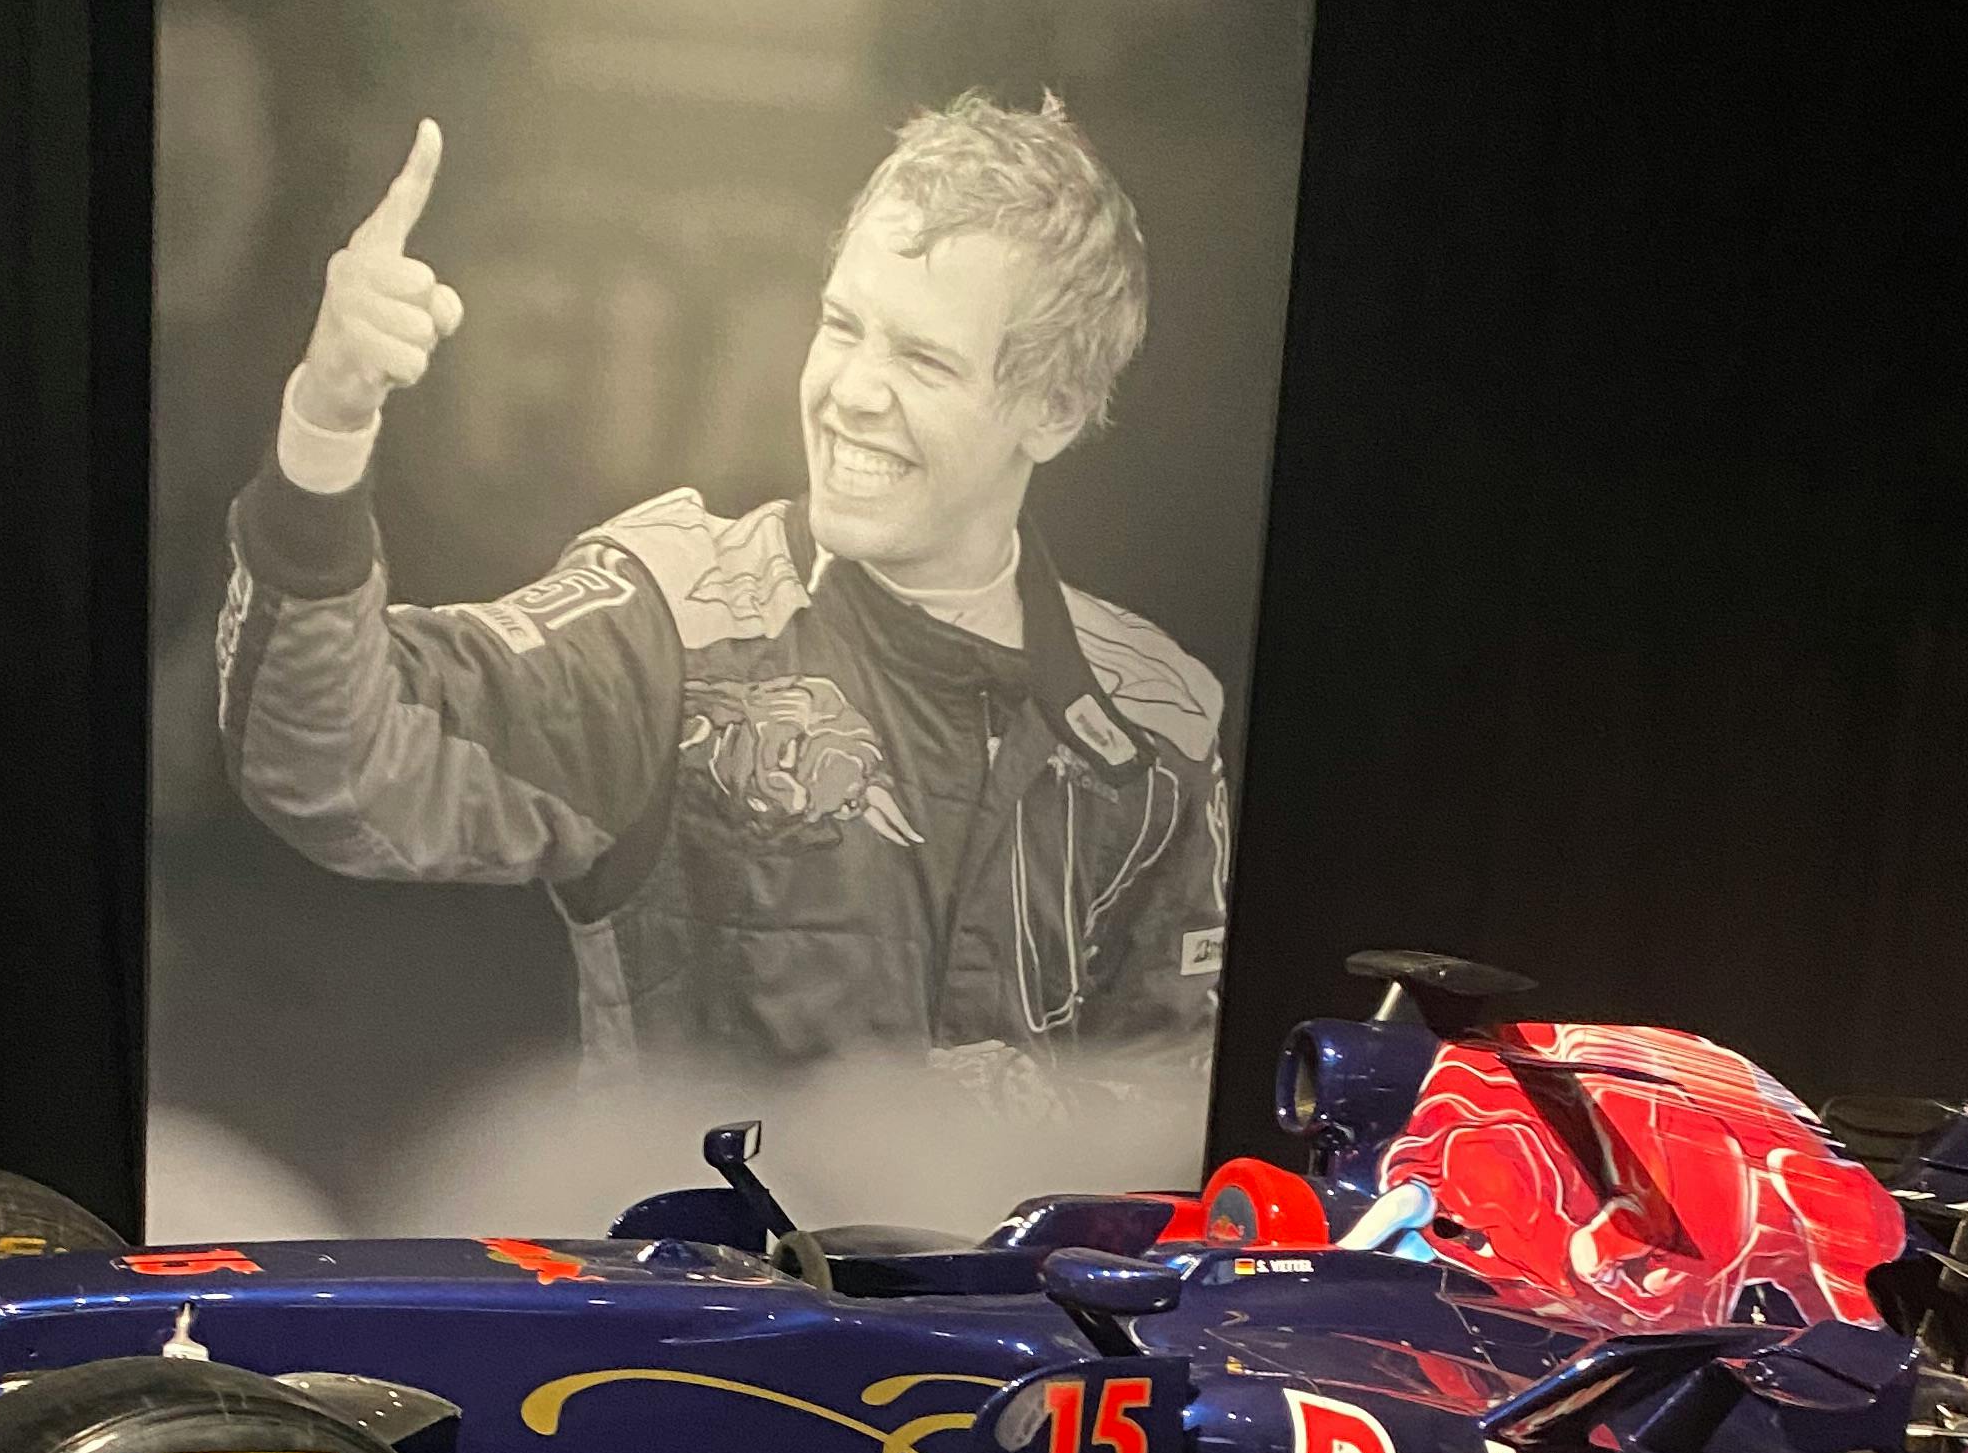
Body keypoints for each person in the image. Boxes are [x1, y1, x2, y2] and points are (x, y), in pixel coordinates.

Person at [215, 92, 1230, 1098]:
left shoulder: (1160, 718)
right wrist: (328, 421)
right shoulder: (672, 618)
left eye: (923, 360)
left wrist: (1009, 1131)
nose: (852, 391)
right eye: (842, 326)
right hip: (697, 1215)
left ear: (1053, 409)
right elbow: (332, 760)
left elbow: (1176, 1100)